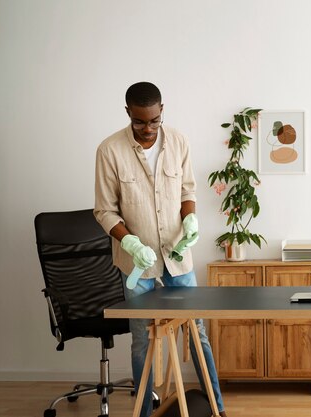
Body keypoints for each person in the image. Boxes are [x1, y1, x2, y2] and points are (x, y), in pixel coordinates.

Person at [94, 81, 227, 417]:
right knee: (143, 340)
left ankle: (218, 407)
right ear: (128, 114)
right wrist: (130, 241)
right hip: (137, 264)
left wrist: (191, 221)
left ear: (161, 111)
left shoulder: (179, 142)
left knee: (197, 331)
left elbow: (187, 191)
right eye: (140, 122)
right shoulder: (109, 150)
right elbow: (104, 209)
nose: (148, 129)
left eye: (154, 121)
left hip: (177, 257)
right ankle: (143, 412)